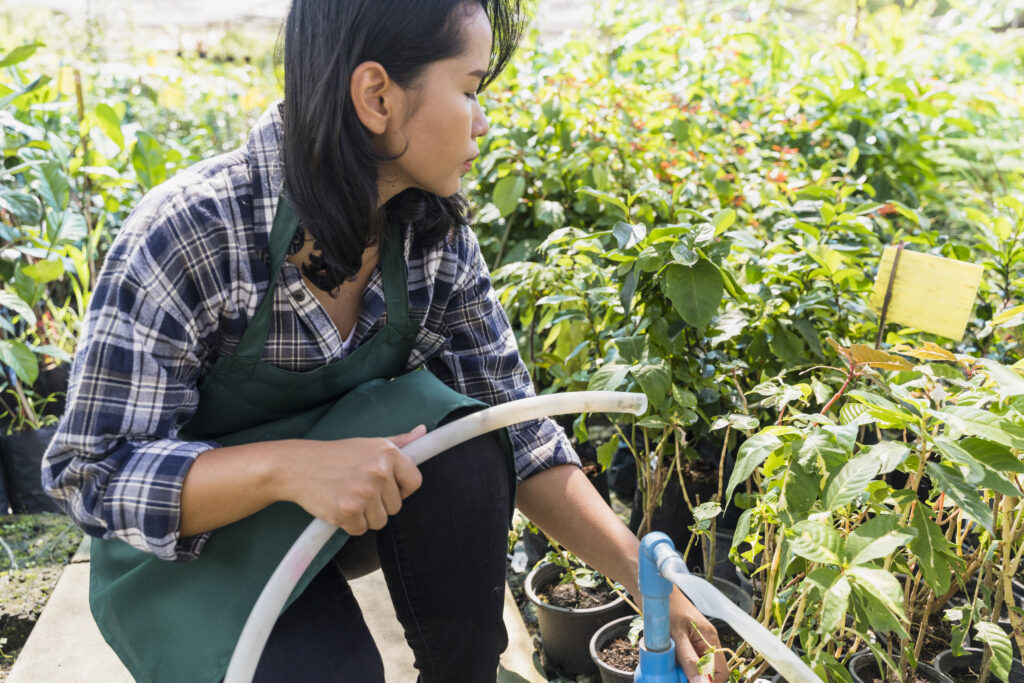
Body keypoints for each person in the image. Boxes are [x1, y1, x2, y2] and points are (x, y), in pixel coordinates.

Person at [41, 1, 727, 681]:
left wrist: (650, 583)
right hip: (188, 559)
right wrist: (291, 467)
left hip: (341, 523)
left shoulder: (430, 240)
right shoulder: (194, 232)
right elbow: (90, 471)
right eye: (470, 89)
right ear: (376, 97)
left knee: (467, 441)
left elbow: (519, 431)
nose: (483, 121)